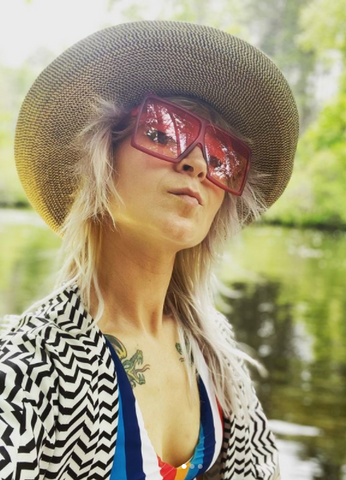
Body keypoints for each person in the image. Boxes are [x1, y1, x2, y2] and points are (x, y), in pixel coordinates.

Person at [0, 20, 299, 480]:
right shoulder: (23, 368)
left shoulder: (214, 347)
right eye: (162, 133)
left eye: (221, 159)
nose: (198, 163)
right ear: (100, 161)